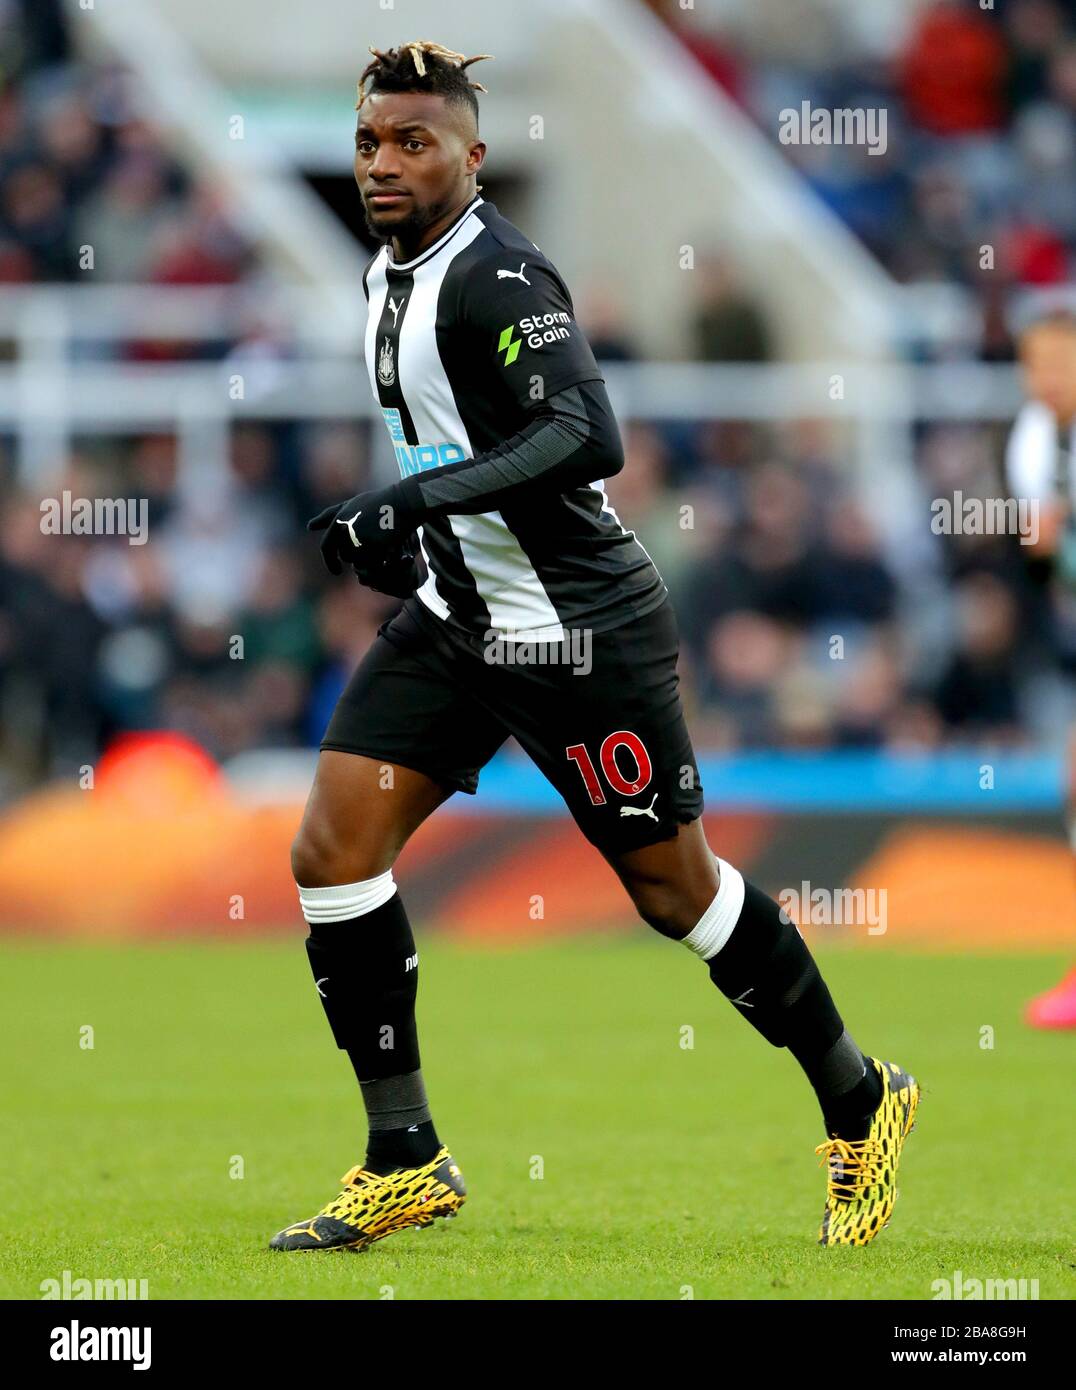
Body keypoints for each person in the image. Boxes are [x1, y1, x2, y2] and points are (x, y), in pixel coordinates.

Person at [269, 41, 919, 1254]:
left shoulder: (500, 275)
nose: (384, 163)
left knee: (676, 892)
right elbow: (454, 454)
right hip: (461, 618)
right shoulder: (386, 274)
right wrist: (408, 535)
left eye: (414, 142)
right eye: (368, 142)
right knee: (330, 849)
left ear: (473, 153)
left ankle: (858, 1095)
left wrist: (413, 503)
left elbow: (589, 432)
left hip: (577, 632)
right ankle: (404, 1153)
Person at [1006, 308, 1076, 1030]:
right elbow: (1042, 570)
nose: (1045, 378)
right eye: (1035, 364)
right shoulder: (1033, 440)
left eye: (1060, 362)